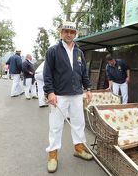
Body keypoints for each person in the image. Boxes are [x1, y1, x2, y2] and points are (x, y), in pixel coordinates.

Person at [43, 21, 93, 173]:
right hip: (59, 95)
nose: (69, 34)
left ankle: (78, 148)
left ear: (76, 34)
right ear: (61, 33)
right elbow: (47, 73)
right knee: (56, 126)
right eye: (66, 31)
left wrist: (88, 88)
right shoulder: (53, 51)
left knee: (79, 123)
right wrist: (50, 92)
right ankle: (52, 155)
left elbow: (83, 72)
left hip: (77, 94)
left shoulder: (79, 52)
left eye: (72, 32)